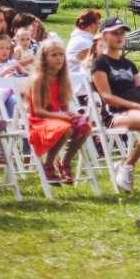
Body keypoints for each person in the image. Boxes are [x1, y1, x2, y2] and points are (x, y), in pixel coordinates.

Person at [90, 16, 140, 192]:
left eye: (122, 33)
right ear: (104, 36)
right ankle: (127, 163)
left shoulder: (129, 64)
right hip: (114, 113)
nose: (120, 36)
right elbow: (107, 97)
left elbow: (139, 92)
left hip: (136, 108)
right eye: (115, 33)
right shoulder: (100, 63)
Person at [27, 39, 92, 183]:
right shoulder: (38, 78)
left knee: (86, 127)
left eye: (61, 54)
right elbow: (38, 111)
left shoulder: (62, 78)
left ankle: (65, 162)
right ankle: (48, 163)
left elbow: (64, 107)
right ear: (44, 59)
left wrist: (69, 114)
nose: (59, 58)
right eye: (54, 55)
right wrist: (62, 117)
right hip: (40, 120)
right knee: (66, 129)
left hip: (58, 118)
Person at [0, 33, 22, 118]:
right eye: (1, 48)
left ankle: (15, 124)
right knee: (12, 98)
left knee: (17, 99)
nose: (5, 51)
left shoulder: (12, 62)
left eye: (7, 48)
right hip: (0, 92)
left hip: (16, 89)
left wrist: (20, 70)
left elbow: (22, 74)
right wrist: (5, 72)